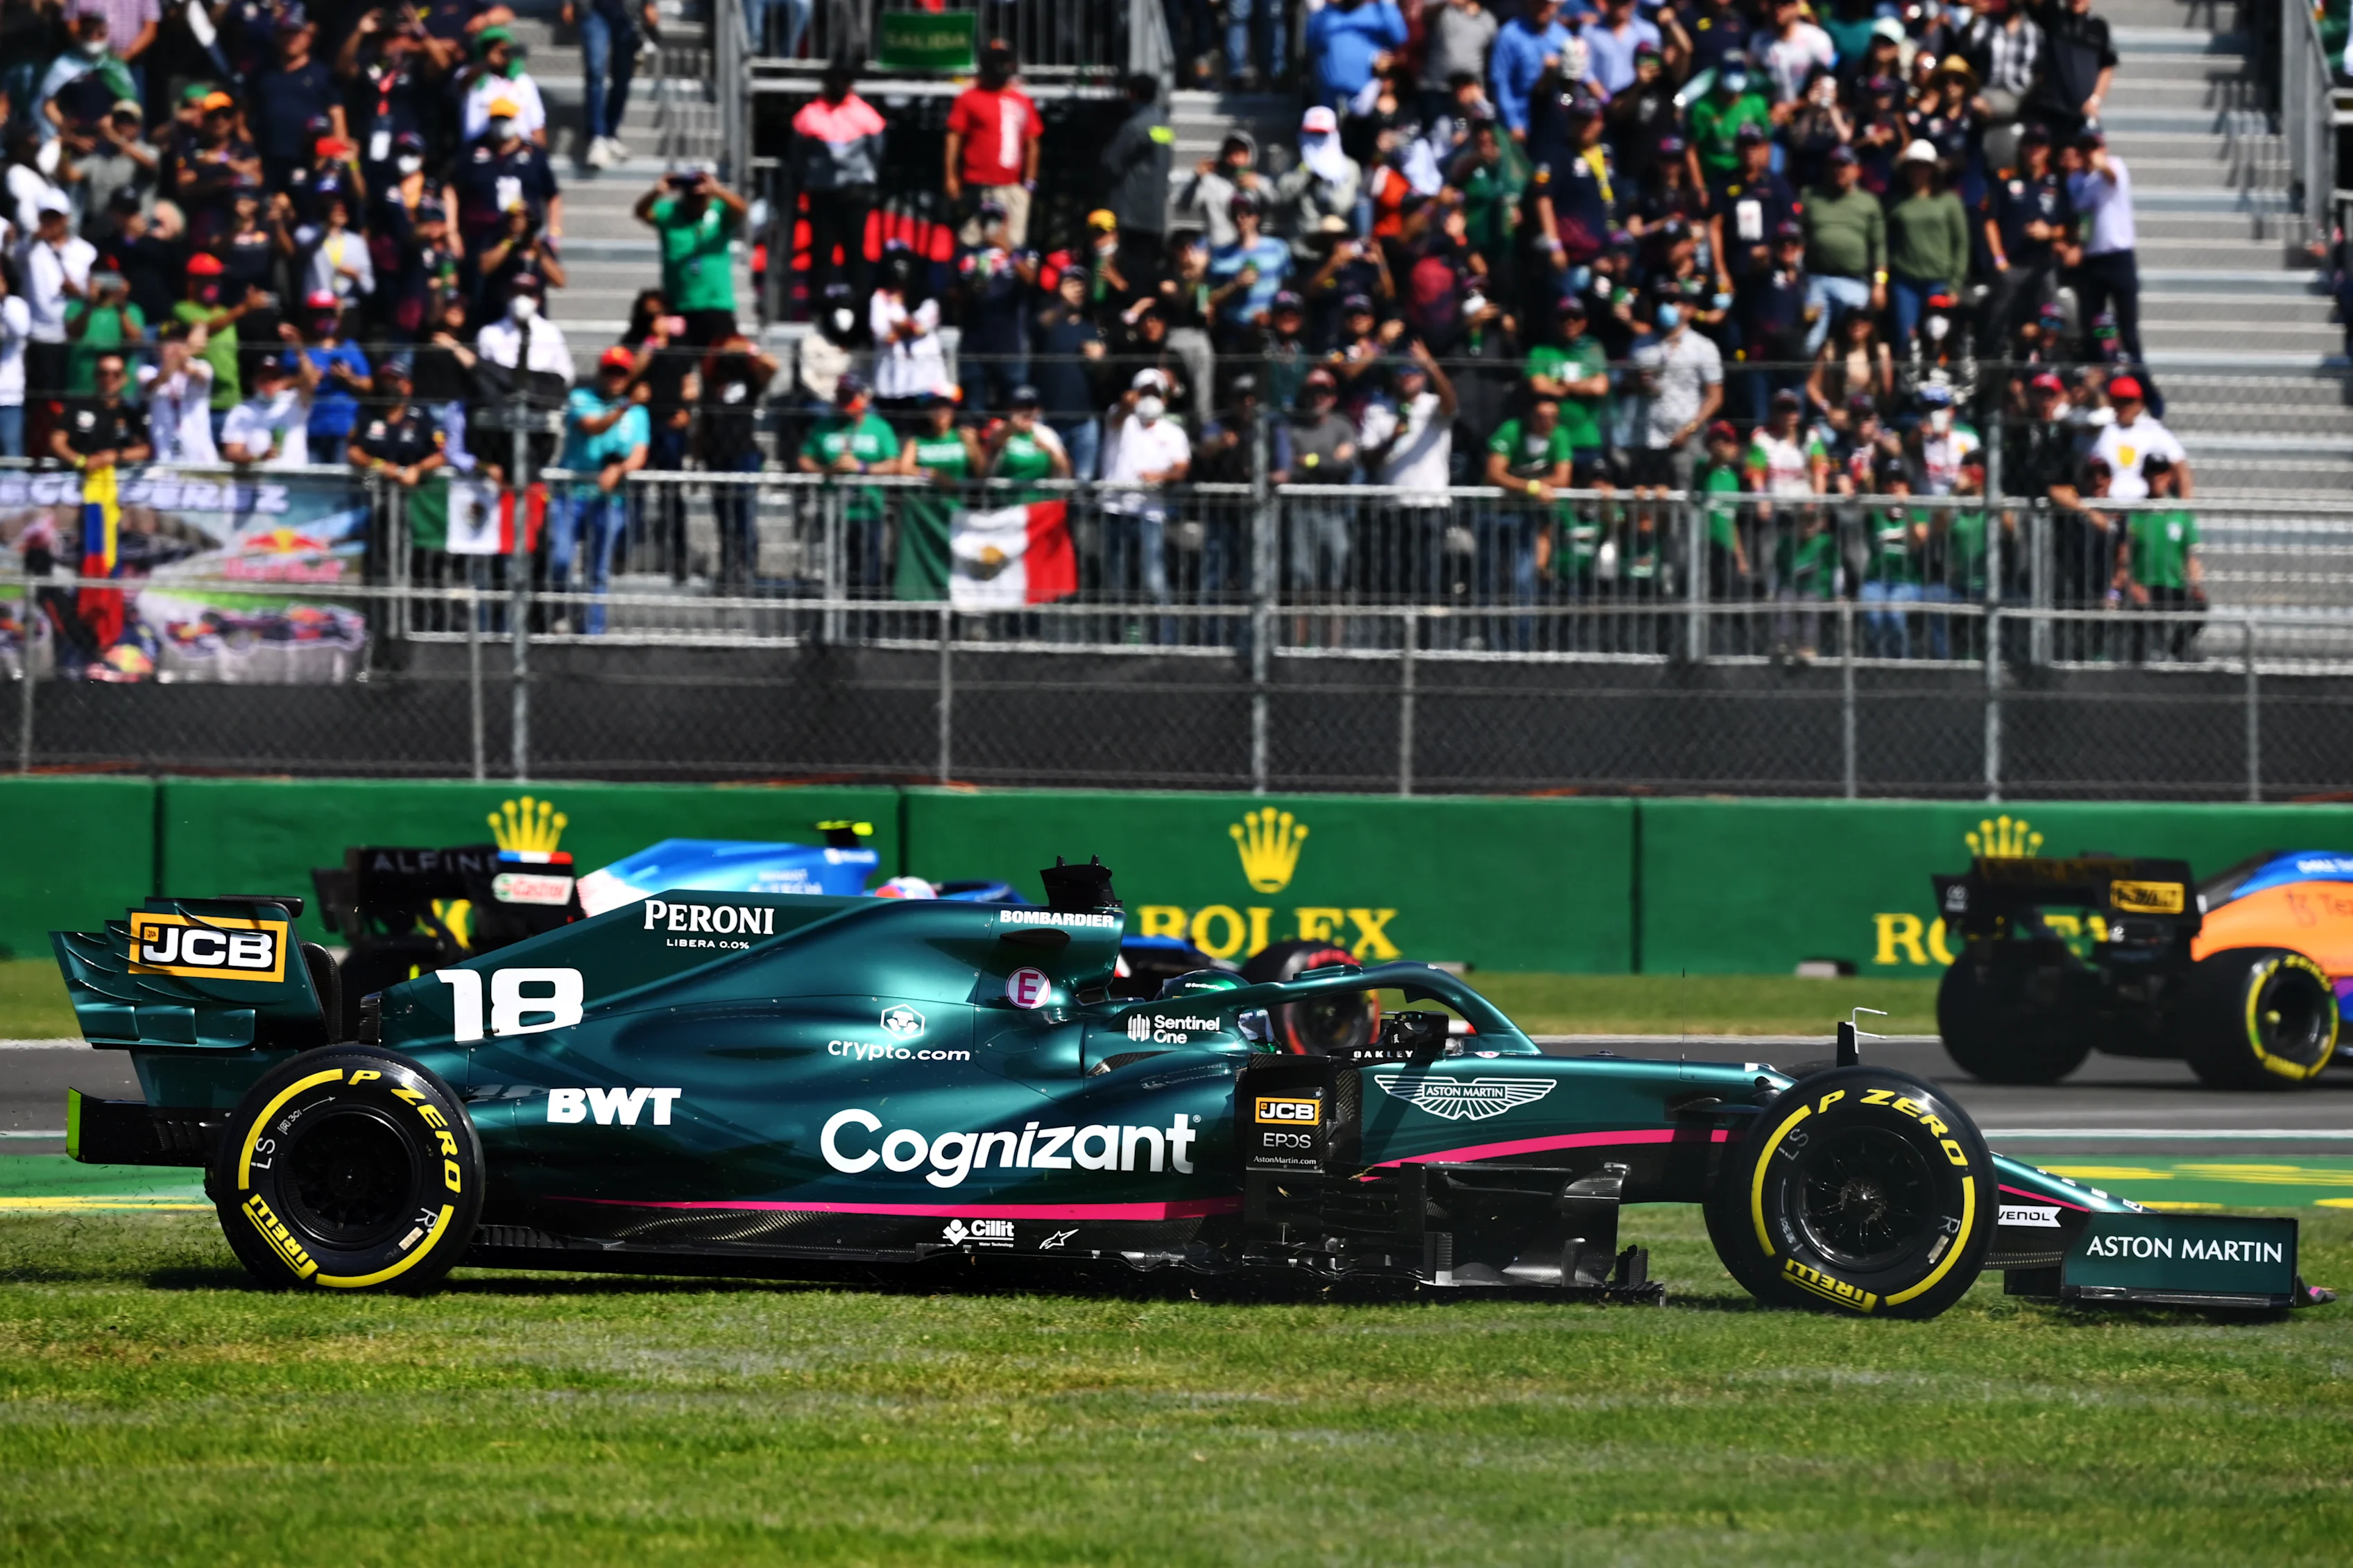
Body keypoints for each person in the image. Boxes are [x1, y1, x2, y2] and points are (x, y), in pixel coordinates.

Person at [1098, 368, 1191, 628]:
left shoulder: (1173, 432)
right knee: (1117, 581)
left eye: (1154, 393)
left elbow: (1181, 467)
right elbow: (1117, 416)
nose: (1149, 399)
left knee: (1153, 578)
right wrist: (1126, 404)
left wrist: (1160, 475)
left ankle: (1169, 638)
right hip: (1116, 508)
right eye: (1144, 393)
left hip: (1150, 510)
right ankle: (1119, 639)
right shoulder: (1121, 420)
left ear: (1164, 398)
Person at [789, 60, 885, 308]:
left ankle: (861, 305)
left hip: (855, 192)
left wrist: (867, 180)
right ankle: (819, 304)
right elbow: (798, 155)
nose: (839, 87)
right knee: (822, 250)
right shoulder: (810, 114)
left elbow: (877, 151)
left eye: (844, 83)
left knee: (855, 249)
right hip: (823, 193)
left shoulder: (865, 114)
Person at [796, 372, 899, 587]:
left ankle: (865, 617)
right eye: (841, 397)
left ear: (864, 398)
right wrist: (827, 470)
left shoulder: (880, 428)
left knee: (869, 572)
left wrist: (861, 467)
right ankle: (836, 617)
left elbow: (893, 464)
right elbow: (804, 460)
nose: (844, 403)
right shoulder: (823, 426)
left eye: (850, 397)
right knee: (837, 571)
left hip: (868, 509)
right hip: (834, 510)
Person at [2065, 128, 2146, 390]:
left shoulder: (2115, 168)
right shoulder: (2076, 181)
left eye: (2094, 147)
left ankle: (2143, 391)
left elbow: (2111, 177)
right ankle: (2103, 388)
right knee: (2095, 331)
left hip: (2119, 258)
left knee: (2128, 332)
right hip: (2093, 262)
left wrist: (2101, 165)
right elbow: (2084, 218)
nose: (2090, 154)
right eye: (2085, 148)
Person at [695, 330, 778, 587]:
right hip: (716, 455)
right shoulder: (711, 381)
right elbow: (703, 422)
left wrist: (748, 349)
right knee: (723, 516)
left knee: (745, 513)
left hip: (744, 454)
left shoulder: (750, 378)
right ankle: (729, 567)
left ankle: (748, 568)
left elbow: (772, 366)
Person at [633, 165, 744, 345]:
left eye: (700, 196)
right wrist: (657, 192)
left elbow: (741, 209)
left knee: (721, 366)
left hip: (716, 304)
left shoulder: (719, 211)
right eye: (691, 195)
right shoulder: (670, 213)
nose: (696, 200)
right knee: (679, 367)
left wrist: (717, 190)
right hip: (679, 305)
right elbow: (641, 212)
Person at [944, 40, 1041, 247]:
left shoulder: (1021, 100)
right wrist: (951, 176)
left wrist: (1029, 182)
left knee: (1011, 245)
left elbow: (1032, 142)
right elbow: (954, 137)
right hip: (978, 185)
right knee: (971, 241)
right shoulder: (969, 98)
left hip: (1011, 185)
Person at [21, 196, 94, 456]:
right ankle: (41, 454)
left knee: (72, 402)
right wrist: (35, 237)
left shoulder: (86, 252)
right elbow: (15, 253)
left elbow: (95, 295)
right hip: (40, 339)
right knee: (42, 403)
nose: (50, 223)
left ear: (67, 218)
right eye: (45, 217)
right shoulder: (29, 249)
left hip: (75, 339)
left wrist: (78, 293)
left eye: (55, 217)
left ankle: (71, 450)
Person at [1799, 144, 1884, 356]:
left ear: (1857, 170)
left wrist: (1880, 284)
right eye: (1834, 165)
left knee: (1855, 342)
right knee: (1811, 341)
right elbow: (1798, 238)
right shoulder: (1811, 196)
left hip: (1854, 281)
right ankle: (1803, 387)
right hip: (1816, 281)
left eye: (1844, 165)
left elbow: (1880, 247)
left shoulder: (1869, 202)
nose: (1839, 170)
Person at [1885, 140, 1969, 352]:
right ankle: (1906, 383)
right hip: (1905, 282)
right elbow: (1886, 241)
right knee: (1906, 339)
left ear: (1933, 170)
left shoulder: (1949, 201)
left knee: (1938, 338)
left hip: (1939, 281)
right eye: (1913, 166)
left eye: (1923, 166)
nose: (1918, 171)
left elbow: (1961, 243)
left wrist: (1956, 284)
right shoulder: (1896, 202)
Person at [252, 8, 348, 192]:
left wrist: (329, 156)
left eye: (296, 33)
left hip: (309, 161)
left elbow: (338, 123)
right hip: (269, 160)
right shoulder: (263, 74)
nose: (291, 39)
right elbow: (245, 112)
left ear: (308, 37)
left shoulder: (323, 75)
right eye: (286, 33)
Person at [2119, 454, 2202, 661]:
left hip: (2172, 585)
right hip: (2145, 585)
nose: (2156, 477)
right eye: (2151, 472)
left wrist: (2194, 584)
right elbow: (2123, 555)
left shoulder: (2180, 512)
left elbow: (2189, 554)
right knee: (2140, 626)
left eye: (2161, 472)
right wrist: (2132, 584)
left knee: (2200, 607)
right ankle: (2138, 670)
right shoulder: (2136, 512)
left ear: (2169, 476)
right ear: (2144, 477)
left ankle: (2177, 649)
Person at [565, 0, 658, 169]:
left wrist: (650, 4)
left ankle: (611, 133)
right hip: (593, 9)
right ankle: (597, 136)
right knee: (595, 70)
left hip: (629, 13)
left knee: (623, 76)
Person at [1034, 268, 1106, 479]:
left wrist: (1100, 361)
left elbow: (1102, 376)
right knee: (1049, 481)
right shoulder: (1049, 323)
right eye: (1071, 284)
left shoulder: (1091, 328)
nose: (1077, 289)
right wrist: (1062, 302)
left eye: (1081, 285)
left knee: (1083, 483)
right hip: (1049, 418)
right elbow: (1040, 325)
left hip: (1084, 420)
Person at [1100, 74, 1173, 264]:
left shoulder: (1135, 126)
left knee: (1128, 265)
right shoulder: (1163, 124)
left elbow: (1112, 163)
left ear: (1132, 94)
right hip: (1155, 212)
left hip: (1131, 213)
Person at [293, 293, 372, 464]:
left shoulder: (350, 347)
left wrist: (349, 378)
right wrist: (308, 375)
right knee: (315, 483)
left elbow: (368, 384)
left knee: (341, 480)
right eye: (318, 314)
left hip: (344, 427)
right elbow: (288, 382)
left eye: (329, 314)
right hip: (311, 427)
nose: (324, 319)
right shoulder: (301, 349)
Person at [347, 354, 443, 488]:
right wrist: (378, 465)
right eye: (385, 381)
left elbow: (441, 454)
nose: (389, 386)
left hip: (413, 493)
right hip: (372, 490)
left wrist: (418, 469)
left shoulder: (421, 416)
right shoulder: (367, 413)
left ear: (408, 386)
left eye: (394, 381)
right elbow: (353, 452)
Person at [2087, 373, 2188, 501]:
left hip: (2145, 507)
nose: (2125, 407)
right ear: (2112, 403)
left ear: (2139, 404)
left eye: (2129, 402)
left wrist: (2185, 507)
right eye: (2119, 401)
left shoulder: (2153, 430)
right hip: (2110, 505)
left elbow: (2180, 466)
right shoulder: (2102, 430)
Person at [870, 251, 948, 412]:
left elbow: (920, 328)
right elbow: (883, 333)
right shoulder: (879, 298)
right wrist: (908, 327)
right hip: (890, 381)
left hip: (923, 382)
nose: (899, 287)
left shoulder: (928, 300)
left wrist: (900, 325)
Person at [50, 347, 149, 472]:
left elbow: (145, 450)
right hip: (79, 479)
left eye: (116, 374)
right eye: (103, 374)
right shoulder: (79, 407)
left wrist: (115, 456)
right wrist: (81, 461)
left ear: (125, 379)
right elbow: (57, 441)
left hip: (119, 481)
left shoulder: (129, 413)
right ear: (96, 376)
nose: (109, 379)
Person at [219, 350, 320, 467]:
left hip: (294, 481)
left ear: (282, 381)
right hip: (259, 482)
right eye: (264, 379)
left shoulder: (294, 402)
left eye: (274, 379)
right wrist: (259, 458)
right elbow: (232, 453)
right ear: (255, 381)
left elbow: (311, 380)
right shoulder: (241, 411)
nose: (269, 384)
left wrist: (298, 350)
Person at [138, 320, 219, 465]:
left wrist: (185, 356)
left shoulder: (202, 366)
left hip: (201, 462)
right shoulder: (148, 372)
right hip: (165, 459)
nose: (175, 346)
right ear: (158, 347)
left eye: (181, 341)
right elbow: (157, 382)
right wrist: (184, 353)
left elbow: (200, 375)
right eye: (169, 342)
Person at [1491, 0, 1571, 141]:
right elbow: (1500, 82)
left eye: (1547, 4)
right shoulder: (1510, 34)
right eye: (1537, 3)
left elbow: (1569, 90)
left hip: (1551, 124)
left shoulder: (1563, 38)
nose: (1542, 8)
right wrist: (1513, 122)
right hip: (1519, 123)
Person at [1306, 0, 1407, 110]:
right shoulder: (1328, 14)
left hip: (1365, 94)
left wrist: (1387, 4)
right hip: (1329, 93)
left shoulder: (1377, 12)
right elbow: (1312, 41)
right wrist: (1318, 11)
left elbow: (1400, 37)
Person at [459, 26, 549, 146]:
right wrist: (486, 63)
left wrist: (539, 157)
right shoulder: (471, 76)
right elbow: (462, 84)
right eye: (491, 47)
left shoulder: (524, 82)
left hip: (517, 149)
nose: (499, 53)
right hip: (479, 150)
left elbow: (537, 125)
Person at [0, 266, 28, 457]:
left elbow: (21, 330)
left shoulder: (16, 305)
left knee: (11, 457)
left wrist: (3, 299)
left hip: (7, 398)